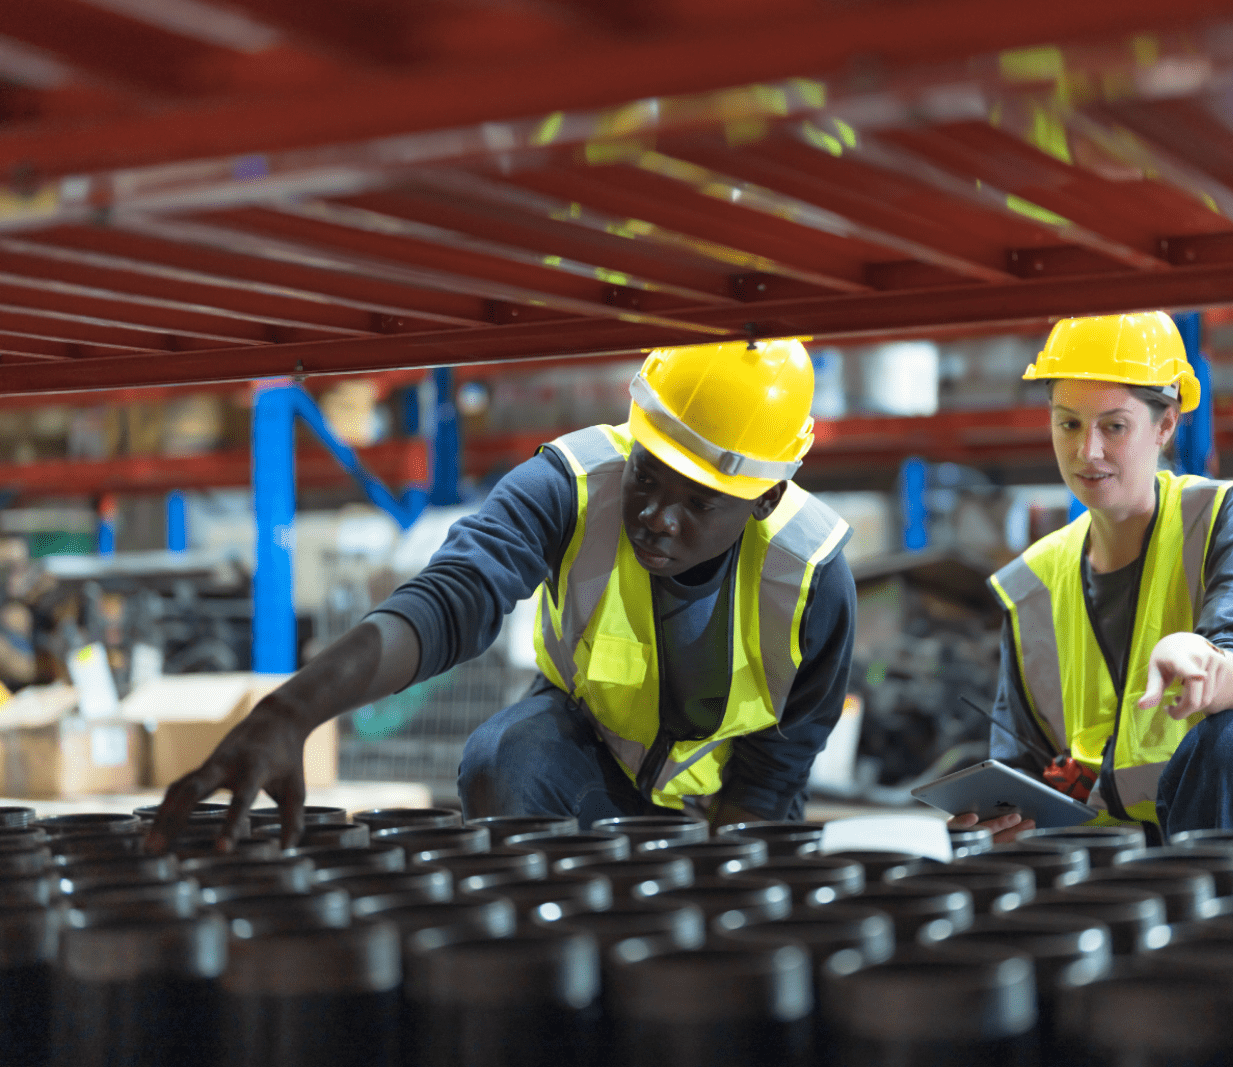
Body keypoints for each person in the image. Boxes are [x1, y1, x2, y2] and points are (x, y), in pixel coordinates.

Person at [147, 339, 855, 849]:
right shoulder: (570, 486)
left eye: (698, 502)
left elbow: (773, 775)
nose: (656, 518)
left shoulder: (811, 578)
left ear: (764, 499)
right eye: (648, 475)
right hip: (586, 775)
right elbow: (449, 599)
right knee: (507, 754)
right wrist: (291, 711)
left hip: (723, 814)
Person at [952, 311, 1233, 855]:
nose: (1088, 451)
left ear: (1165, 426)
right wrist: (1001, 820)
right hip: (1126, 878)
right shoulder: (1034, 585)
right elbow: (1025, 771)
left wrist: (1209, 663)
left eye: (1114, 426)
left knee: (1228, 742)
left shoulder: (1225, 516)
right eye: (1068, 424)